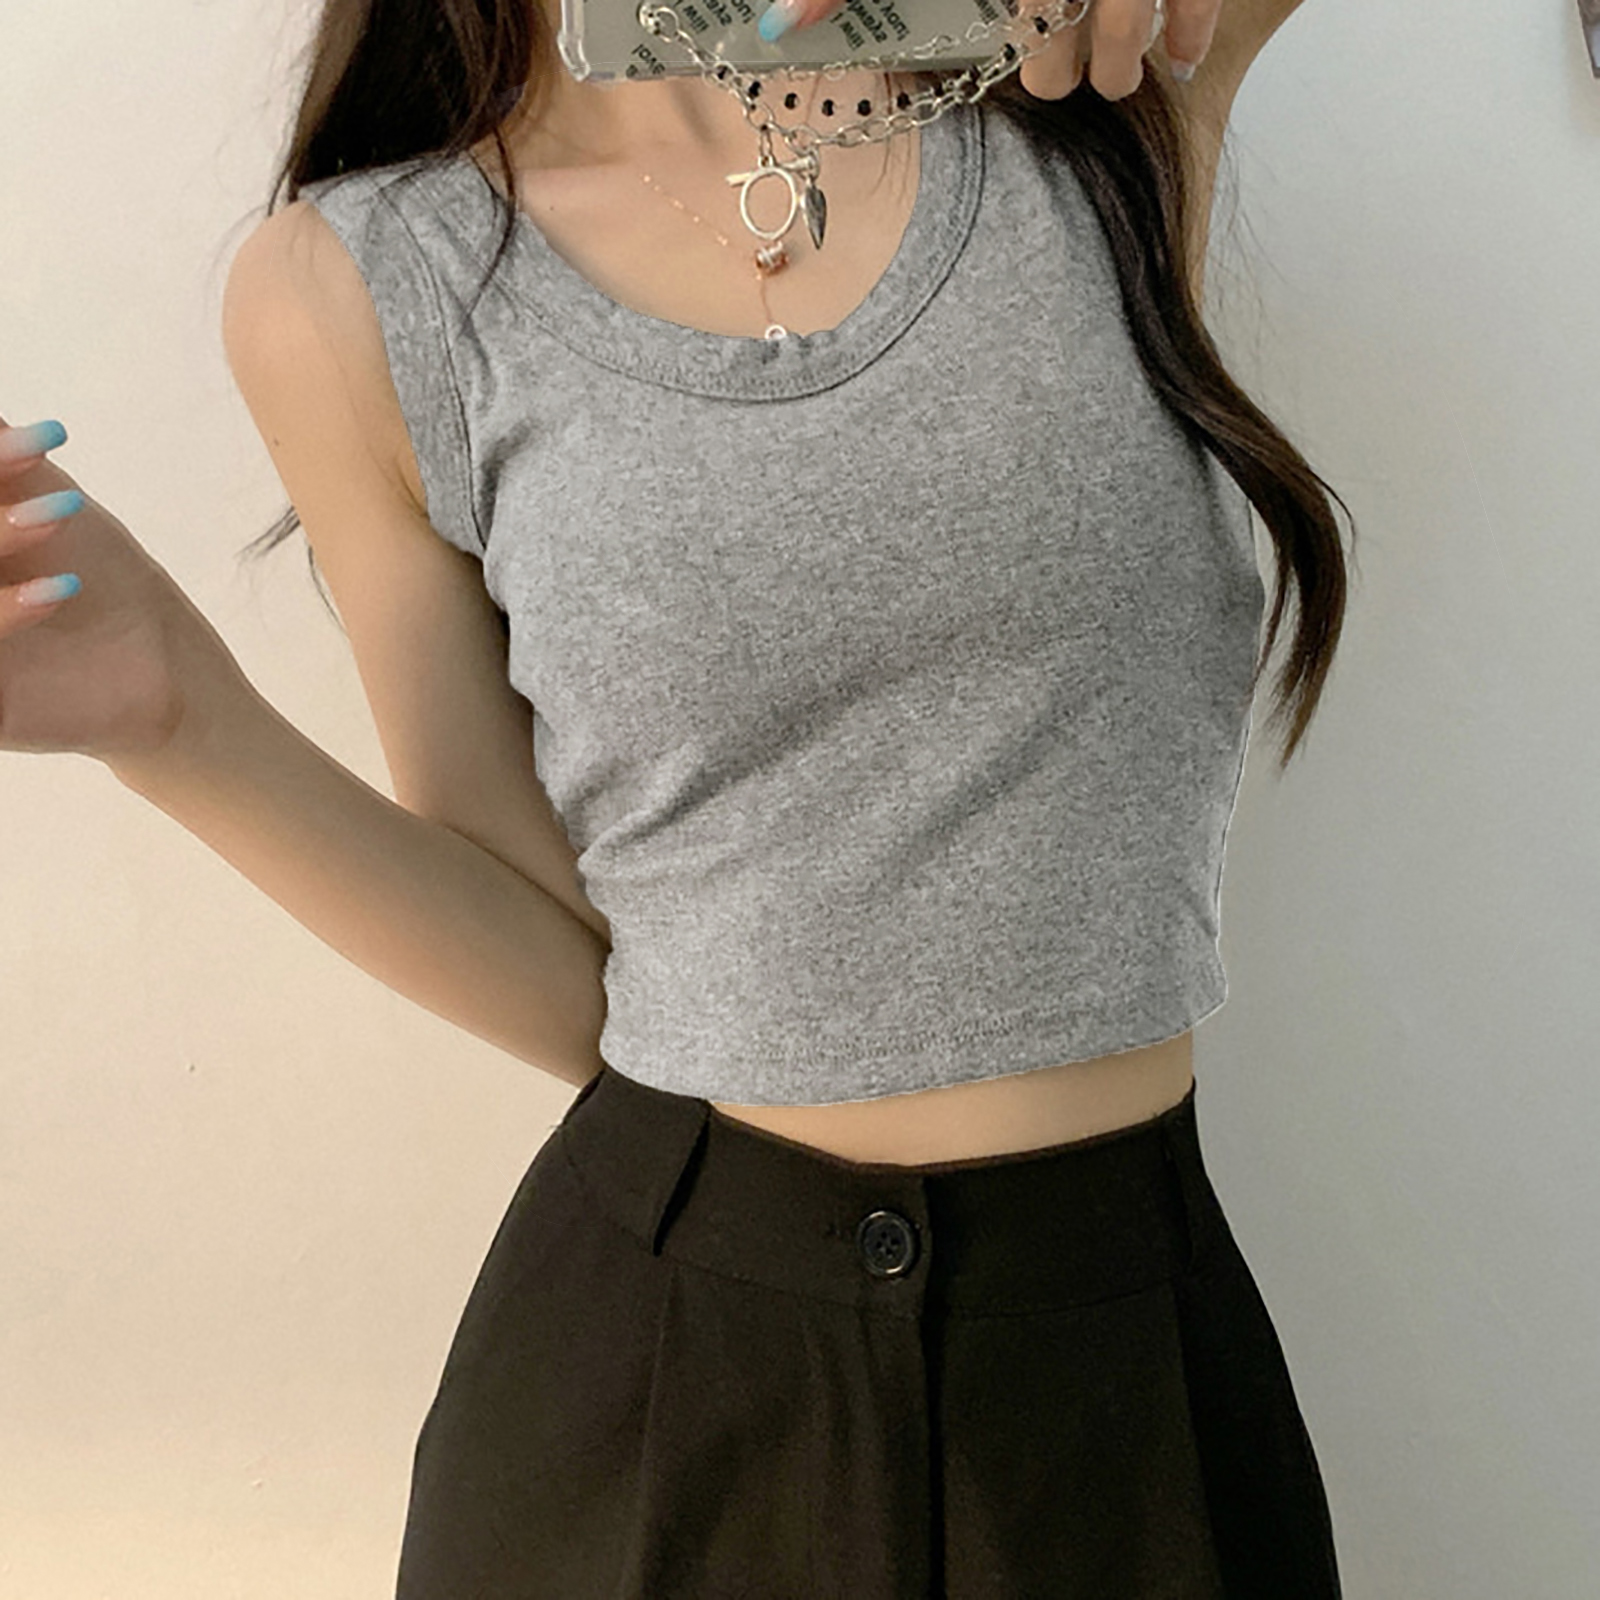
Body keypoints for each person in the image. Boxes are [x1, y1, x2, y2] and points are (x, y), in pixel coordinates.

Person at [1, 0, 1351, 1591]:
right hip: (662, 1384)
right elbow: (569, 974)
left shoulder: (1096, 96)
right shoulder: (365, 284)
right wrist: (173, 716)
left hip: (1126, 1373)